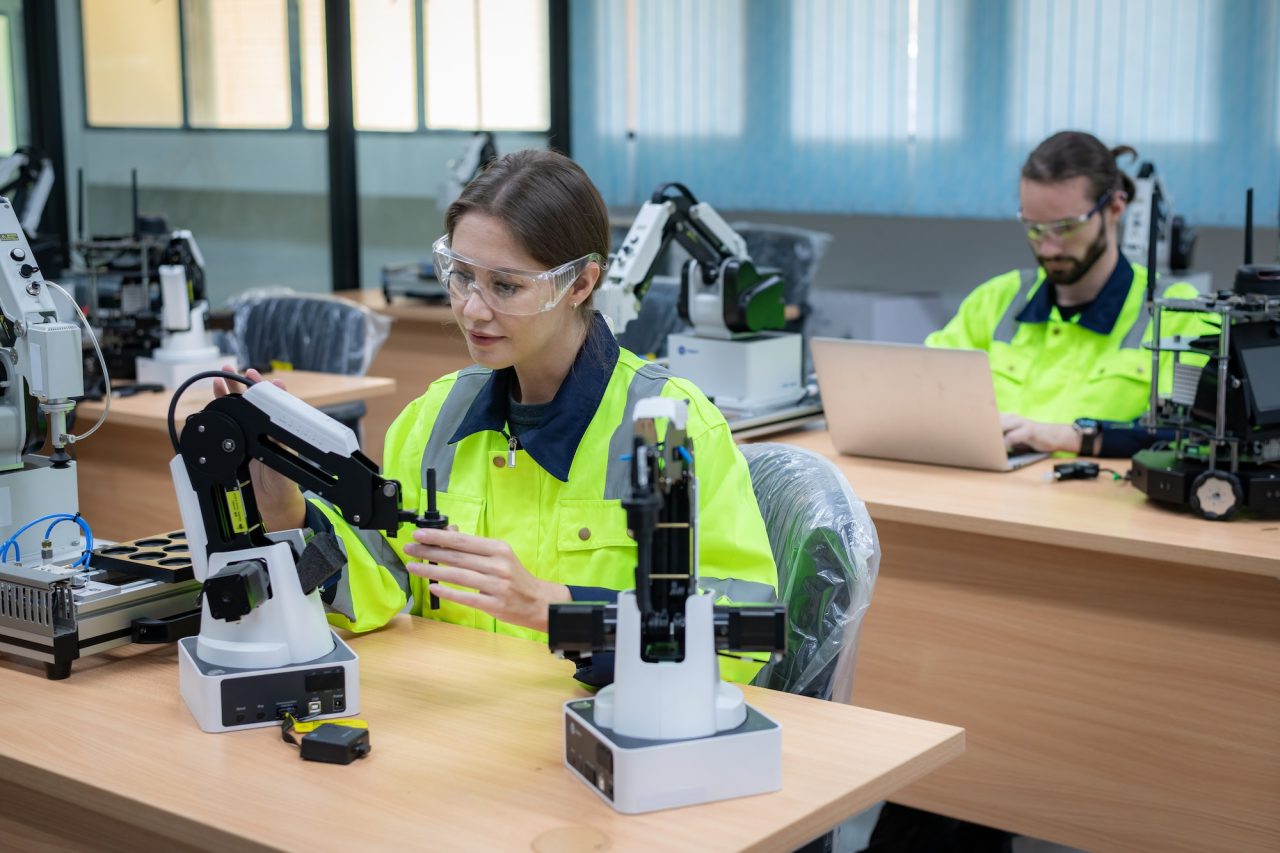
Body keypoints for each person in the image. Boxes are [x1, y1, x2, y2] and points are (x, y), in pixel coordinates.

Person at [218, 149, 778, 686]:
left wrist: (560, 611)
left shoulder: (671, 426)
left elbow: (744, 633)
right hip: (465, 722)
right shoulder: (431, 418)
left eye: (506, 286)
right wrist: (286, 511)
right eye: (462, 276)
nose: (472, 309)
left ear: (581, 283)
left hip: (600, 722)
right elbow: (381, 582)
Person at [925, 131, 1217, 458]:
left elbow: (1197, 431)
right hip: (987, 486)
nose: (1048, 248)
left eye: (1065, 228)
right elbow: (924, 393)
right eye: (1034, 228)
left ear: (1115, 208)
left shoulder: (1180, 314)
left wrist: (1075, 438)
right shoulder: (994, 300)